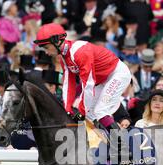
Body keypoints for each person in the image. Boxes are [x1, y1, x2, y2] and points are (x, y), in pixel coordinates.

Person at [34, 22, 132, 155]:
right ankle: (109, 143)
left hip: (117, 74)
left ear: (57, 41)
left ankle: (123, 146)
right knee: (91, 114)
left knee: (100, 110)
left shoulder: (80, 52)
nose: (46, 52)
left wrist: (81, 110)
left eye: (46, 47)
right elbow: (68, 84)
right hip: (102, 80)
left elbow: (88, 84)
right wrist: (67, 109)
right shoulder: (64, 57)